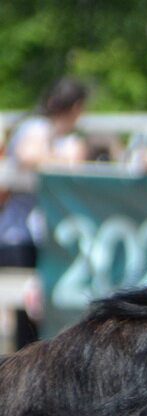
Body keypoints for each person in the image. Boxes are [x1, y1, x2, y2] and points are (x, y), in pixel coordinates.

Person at [1, 77, 90, 349]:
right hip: (21, 235)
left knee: (49, 310)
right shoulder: (35, 128)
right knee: (24, 312)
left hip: (54, 237)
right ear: (76, 107)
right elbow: (30, 156)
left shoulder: (70, 140)